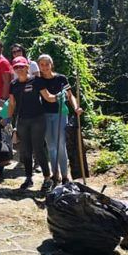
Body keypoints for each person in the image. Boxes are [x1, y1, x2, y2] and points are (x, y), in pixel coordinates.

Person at [35, 54, 82, 184]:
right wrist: (59, 97)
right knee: (50, 145)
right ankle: (55, 174)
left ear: (51, 64)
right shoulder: (39, 80)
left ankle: (65, 176)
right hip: (45, 115)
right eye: (42, 64)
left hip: (60, 114)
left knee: (61, 144)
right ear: (39, 66)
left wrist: (76, 107)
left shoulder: (61, 78)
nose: (44, 67)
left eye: (47, 64)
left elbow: (70, 96)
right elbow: (47, 97)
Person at [8, 56, 52, 191]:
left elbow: (48, 97)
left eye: (22, 66)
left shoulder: (36, 81)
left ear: (27, 67)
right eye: (16, 67)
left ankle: (47, 179)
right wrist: (8, 119)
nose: (19, 69)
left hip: (38, 119)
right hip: (22, 120)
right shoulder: (13, 85)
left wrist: (61, 97)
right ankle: (28, 178)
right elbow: (12, 104)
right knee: (25, 151)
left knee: (38, 149)